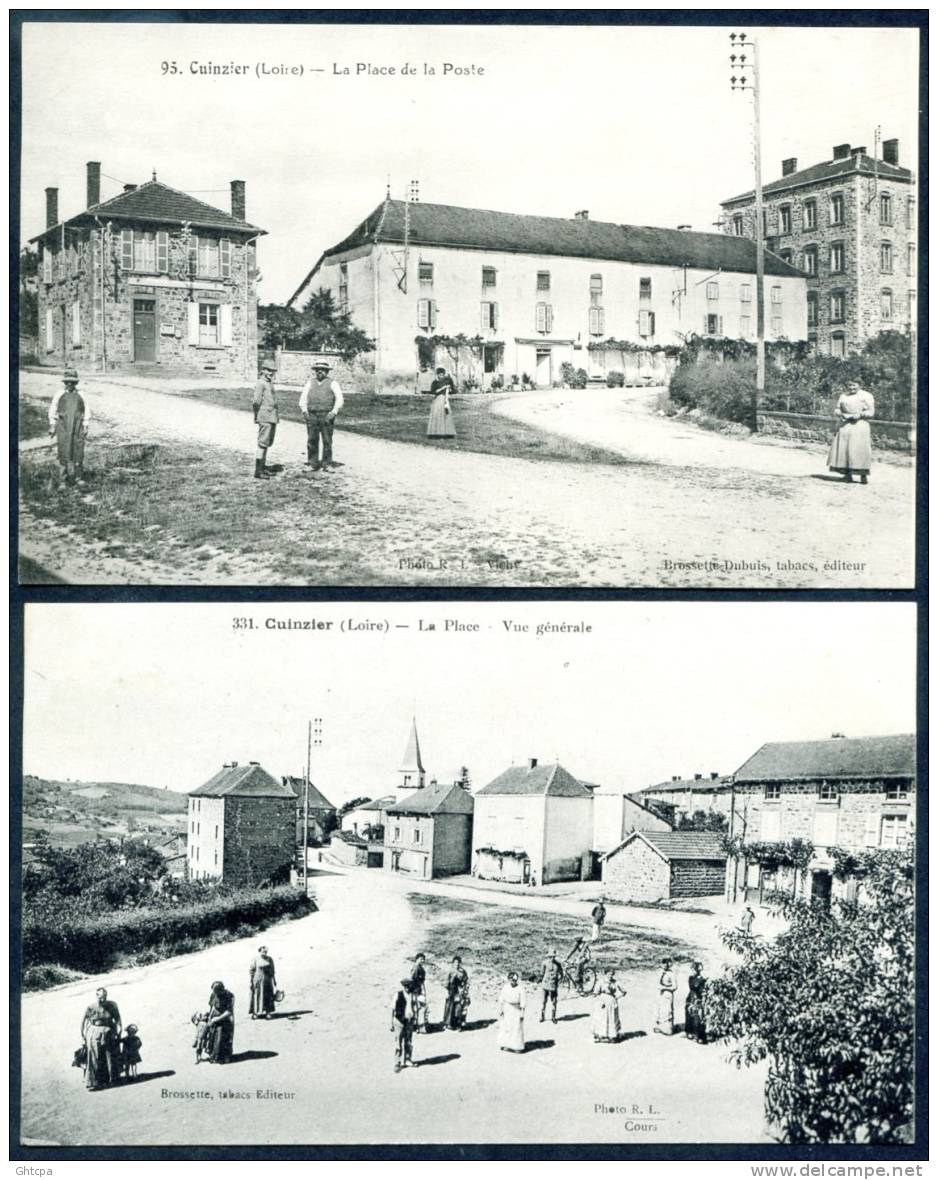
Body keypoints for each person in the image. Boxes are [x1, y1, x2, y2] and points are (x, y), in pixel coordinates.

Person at [828, 379, 875, 484]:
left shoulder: (866, 396)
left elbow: (871, 412)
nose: (851, 388)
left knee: (859, 450)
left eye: (854, 385)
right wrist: (839, 412)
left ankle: (863, 476)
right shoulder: (843, 396)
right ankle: (847, 475)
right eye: (849, 385)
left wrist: (861, 414)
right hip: (845, 425)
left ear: (860, 385)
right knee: (845, 449)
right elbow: (837, 408)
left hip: (860, 425)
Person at [48, 369, 91, 486]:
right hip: (63, 426)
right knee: (63, 450)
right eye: (67, 382)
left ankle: (78, 477)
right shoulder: (59, 394)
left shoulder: (81, 394)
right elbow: (53, 409)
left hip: (77, 426)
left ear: (76, 383)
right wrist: (52, 425)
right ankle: (63, 479)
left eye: (72, 382)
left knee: (78, 450)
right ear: (64, 383)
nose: (69, 384)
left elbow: (86, 409)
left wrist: (86, 424)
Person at [299, 360, 344, 471]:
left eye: (322, 370)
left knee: (327, 440)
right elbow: (303, 399)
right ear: (315, 371)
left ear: (327, 371)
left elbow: (340, 400)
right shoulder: (310, 383)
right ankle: (312, 463)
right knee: (312, 439)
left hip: (326, 415)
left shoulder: (333, 383)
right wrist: (305, 411)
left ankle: (327, 463)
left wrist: (333, 412)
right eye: (317, 369)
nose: (320, 371)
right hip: (312, 414)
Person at [80, 987, 122, 1090]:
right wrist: (83, 1036)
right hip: (94, 1032)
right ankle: (93, 1082)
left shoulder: (112, 1005)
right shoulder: (91, 1007)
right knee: (94, 1056)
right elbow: (83, 1022)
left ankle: (112, 1079)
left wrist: (119, 1031)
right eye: (101, 997)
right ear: (96, 995)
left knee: (109, 1056)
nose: (103, 999)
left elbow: (118, 1019)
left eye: (105, 997)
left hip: (109, 1032)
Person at [252, 360, 280, 480]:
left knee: (267, 443)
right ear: (262, 370)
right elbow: (256, 401)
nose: (270, 373)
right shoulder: (260, 383)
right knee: (262, 443)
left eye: (272, 371)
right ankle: (258, 471)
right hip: (265, 416)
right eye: (268, 370)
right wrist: (257, 415)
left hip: (271, 417)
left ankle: (263, 467)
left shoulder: (269, 383)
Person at [206, 980, 235, 1063]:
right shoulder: (213, 994)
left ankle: (225, 1056)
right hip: (215, 1018)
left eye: (217, 992)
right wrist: (210, 1018)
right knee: (214, 1037)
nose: (215, 994)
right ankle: (215, 1056)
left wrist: (217, 1019)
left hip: (226, 1019)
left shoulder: (229, 996)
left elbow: (229, 1012)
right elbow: (212, 1007)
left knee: (224, 1038)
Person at [593, 970, 626, 1043]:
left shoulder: (615, 982)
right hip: (603, 1003)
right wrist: (600, 1001)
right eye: (609, 974)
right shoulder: (601, 982)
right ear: (605, 974)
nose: (610, 976)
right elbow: (596, 993)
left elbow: (624, 992)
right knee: (602, 1018)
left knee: (612, 1018)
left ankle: (612, 1035)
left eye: (612, 974)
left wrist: (616, 998)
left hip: (612, 1002)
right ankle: (601, 1035)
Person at [391, 979, 417, 1073]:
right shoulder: (398, 995)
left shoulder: (413, 995)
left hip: (409, 1022)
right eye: (406, 986)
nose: (407, 988)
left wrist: (415, 1021)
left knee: (408, 1041)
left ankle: (408, 1060)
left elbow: (415, 1008)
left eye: (409, 986)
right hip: (399, 1021)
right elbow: (392, 1009)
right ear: (403, 986)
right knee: (398, 1042)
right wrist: (391, 1023)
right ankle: (397, 1063)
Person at [497, 971, 526, 1052]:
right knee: (506, 1027)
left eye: (515, 980)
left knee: (516, 1028)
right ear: (509, 979)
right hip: (507, 1009)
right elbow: (501, 999)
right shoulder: (505, 987)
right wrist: (501, 1009)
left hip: (516, 1010)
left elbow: (523, 1002)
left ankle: (516, 1046)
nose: (513, 981)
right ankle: (506, 1044)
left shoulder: (521, 989)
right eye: (511, 979)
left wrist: (522, 1013)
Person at [426, 366, 456, 440]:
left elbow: (453, 391)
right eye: (440, 375)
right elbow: (433, 392)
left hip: (445, 400)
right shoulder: (435, 382)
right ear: (437, 375)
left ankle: (447, 432)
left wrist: (449, 389)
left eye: (442, 374)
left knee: (446, 415)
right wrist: (443, 388)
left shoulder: (447, 381)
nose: (441, 376)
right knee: (437, 415)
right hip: (438, 400)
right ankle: (436, 433)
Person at [249, 945, 278, 1019]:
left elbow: (272, 970)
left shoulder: (270, 959)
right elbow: (251, 971)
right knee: (257, 996)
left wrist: (274, 981)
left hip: (267, 981)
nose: (264, 953)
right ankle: (255, 1013)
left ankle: (268, 1012)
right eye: (262, 951)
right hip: (257, 980)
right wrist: (251, 982)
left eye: (265, 951)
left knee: (268, 996)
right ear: (259, 951)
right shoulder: (255, 959)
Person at [443, 956, 470, 1030]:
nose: (457, 964)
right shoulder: (450, 971)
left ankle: (458, 1023)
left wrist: (465, 989)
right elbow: (446, 981)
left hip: (459, 991)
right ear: (453, 963)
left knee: (458, 1006)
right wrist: (447, 990)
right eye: (455, 962)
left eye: (458, 962)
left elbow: (466, 980)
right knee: (449, 1006)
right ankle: (448, 1024)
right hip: (451, 990)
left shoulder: (462, 971)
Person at [685, 962, 708, 1043]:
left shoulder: (702, 979)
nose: (692, 971)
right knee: (689, 1015)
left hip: (697, 999)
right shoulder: (691, 978)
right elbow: (692, 986)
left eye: (693, 969)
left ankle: (699, 1035)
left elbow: (700, 989)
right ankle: (689, 1031)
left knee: (698, 1017)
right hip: (691, 997)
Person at [539, 947, 562, 1023]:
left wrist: (557, 979)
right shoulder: (544, 963)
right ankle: (542, 1016)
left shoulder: (558, 964)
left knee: (554, 1002)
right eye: (550, 957)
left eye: (553, 956)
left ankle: (553, 1017)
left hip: (553, 986)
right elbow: (541, 973)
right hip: (545, 985)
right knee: (543, 1002)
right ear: (548, 956)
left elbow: (561, 974)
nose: (551, 958)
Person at [654, 959, 677, 1035]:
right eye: (663, 963)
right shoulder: (659, 973)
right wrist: (660, 988)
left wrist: (665, 988)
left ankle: (668, 1029)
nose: (665, 965)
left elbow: (675, 986)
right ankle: (660, 1027)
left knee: (668, 1010)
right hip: (661, 994)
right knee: (660, 1010)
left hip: (668, 993)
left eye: (666, 963)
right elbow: (657, 984)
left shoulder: (671, 974)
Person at [409, 952, 429, 1033]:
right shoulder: (416, 967)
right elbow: (412, 979)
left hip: (419, 988)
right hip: (416, 989)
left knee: (418, 1007)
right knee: (418, 1007)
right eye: (421, 959)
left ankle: (417, 1026)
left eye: (423, 959)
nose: (423, 960)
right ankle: (418, 1027)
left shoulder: (419, 967)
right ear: (417, 959)